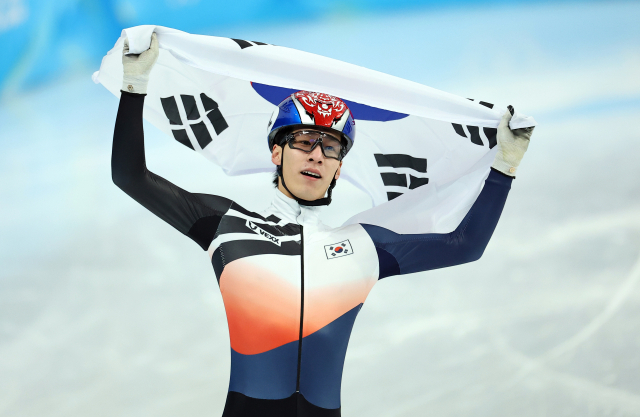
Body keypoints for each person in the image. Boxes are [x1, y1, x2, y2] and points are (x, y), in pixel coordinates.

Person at [112, 33, 533, 417]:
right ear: (276, 152)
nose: (316, 154)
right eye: (303, 141)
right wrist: (135, 84)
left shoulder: (364, 247)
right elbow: (130, 176)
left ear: (338, 169)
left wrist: (505, 167)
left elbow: (465, 245)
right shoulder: (226, 225)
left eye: (331, 147)